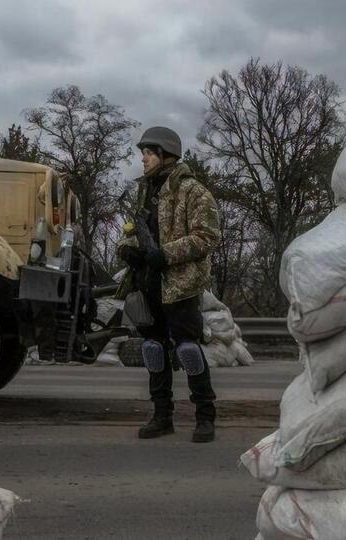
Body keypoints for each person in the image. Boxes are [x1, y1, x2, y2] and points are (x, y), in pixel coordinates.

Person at [116, 126, 222, 443]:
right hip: (149, 284)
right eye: (143, 154)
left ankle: (206, 418)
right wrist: (126, 249)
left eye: (148, 153)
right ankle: (162, 417)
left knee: (188, 350)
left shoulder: (193, 191)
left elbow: (207, 237)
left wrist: (165, 255)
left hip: (180, 285)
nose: (144, 159)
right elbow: (134, 230)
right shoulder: (144, 190)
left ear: (166, 155)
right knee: (153, 350)